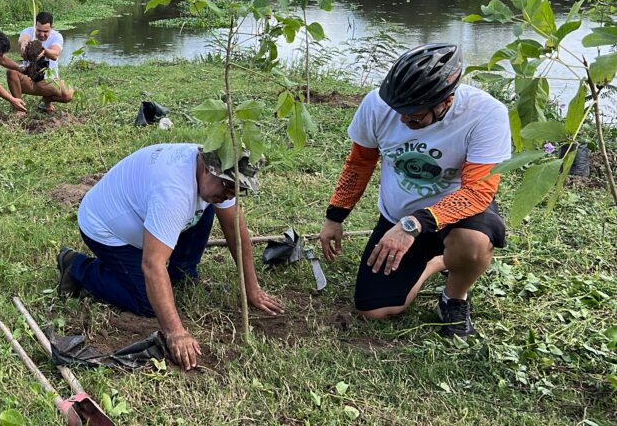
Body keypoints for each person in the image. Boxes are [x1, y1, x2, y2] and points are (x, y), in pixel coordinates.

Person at [318, 43, 511, 337]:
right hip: (399, 215)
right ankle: (438, 262)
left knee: (472, 243)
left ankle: (454, 297)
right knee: (373, 309)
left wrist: (412, 225)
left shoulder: (486, 114)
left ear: (445, 101)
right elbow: (359, 164)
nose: (402, 121)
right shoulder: (377, 104)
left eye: (414, 117)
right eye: (398, 111)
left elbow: (476, 193)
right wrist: (335, 216)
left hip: (459, 214)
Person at [57, 144, 285, 370]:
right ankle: (77, 267)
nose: (229, 194)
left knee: (209, 203)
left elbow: (235, 230)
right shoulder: (174, 192)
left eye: (237, 190)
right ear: (206, 169)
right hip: (106, 229)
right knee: (148, 304)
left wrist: (252, 288)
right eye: (228, 186)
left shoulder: (220, 176)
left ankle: (181, 272)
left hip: (146, 215)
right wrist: (176, 332)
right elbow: (152, 264)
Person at [6, 11, 73, 113]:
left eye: (46, 32)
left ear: (51, 27)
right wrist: (24, 45)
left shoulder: (57, 36)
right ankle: (19, 108)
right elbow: (23, 39)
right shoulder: (29, 31)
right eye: (39, 30)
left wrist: (44, 51)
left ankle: (47, 100)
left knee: (68, 95)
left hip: (48, 80)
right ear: (35, 26)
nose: (42, 34)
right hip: (29, 78)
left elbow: (55, 53)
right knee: (11, 71)